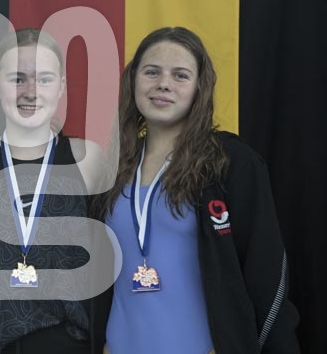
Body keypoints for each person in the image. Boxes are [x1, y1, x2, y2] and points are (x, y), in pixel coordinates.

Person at [90, 26, 300, 353]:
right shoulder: (112, 166)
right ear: (133, 80)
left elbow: (267, 275)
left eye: (180, 75)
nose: (164, 84)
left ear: (200, 88)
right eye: (152, 72)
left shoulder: (230, 163)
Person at [0, 28, 102, 353]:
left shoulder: (87, 158)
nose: (30, 91)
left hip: (66, 342)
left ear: (61, 86)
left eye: (44, 79)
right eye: (17, 79)